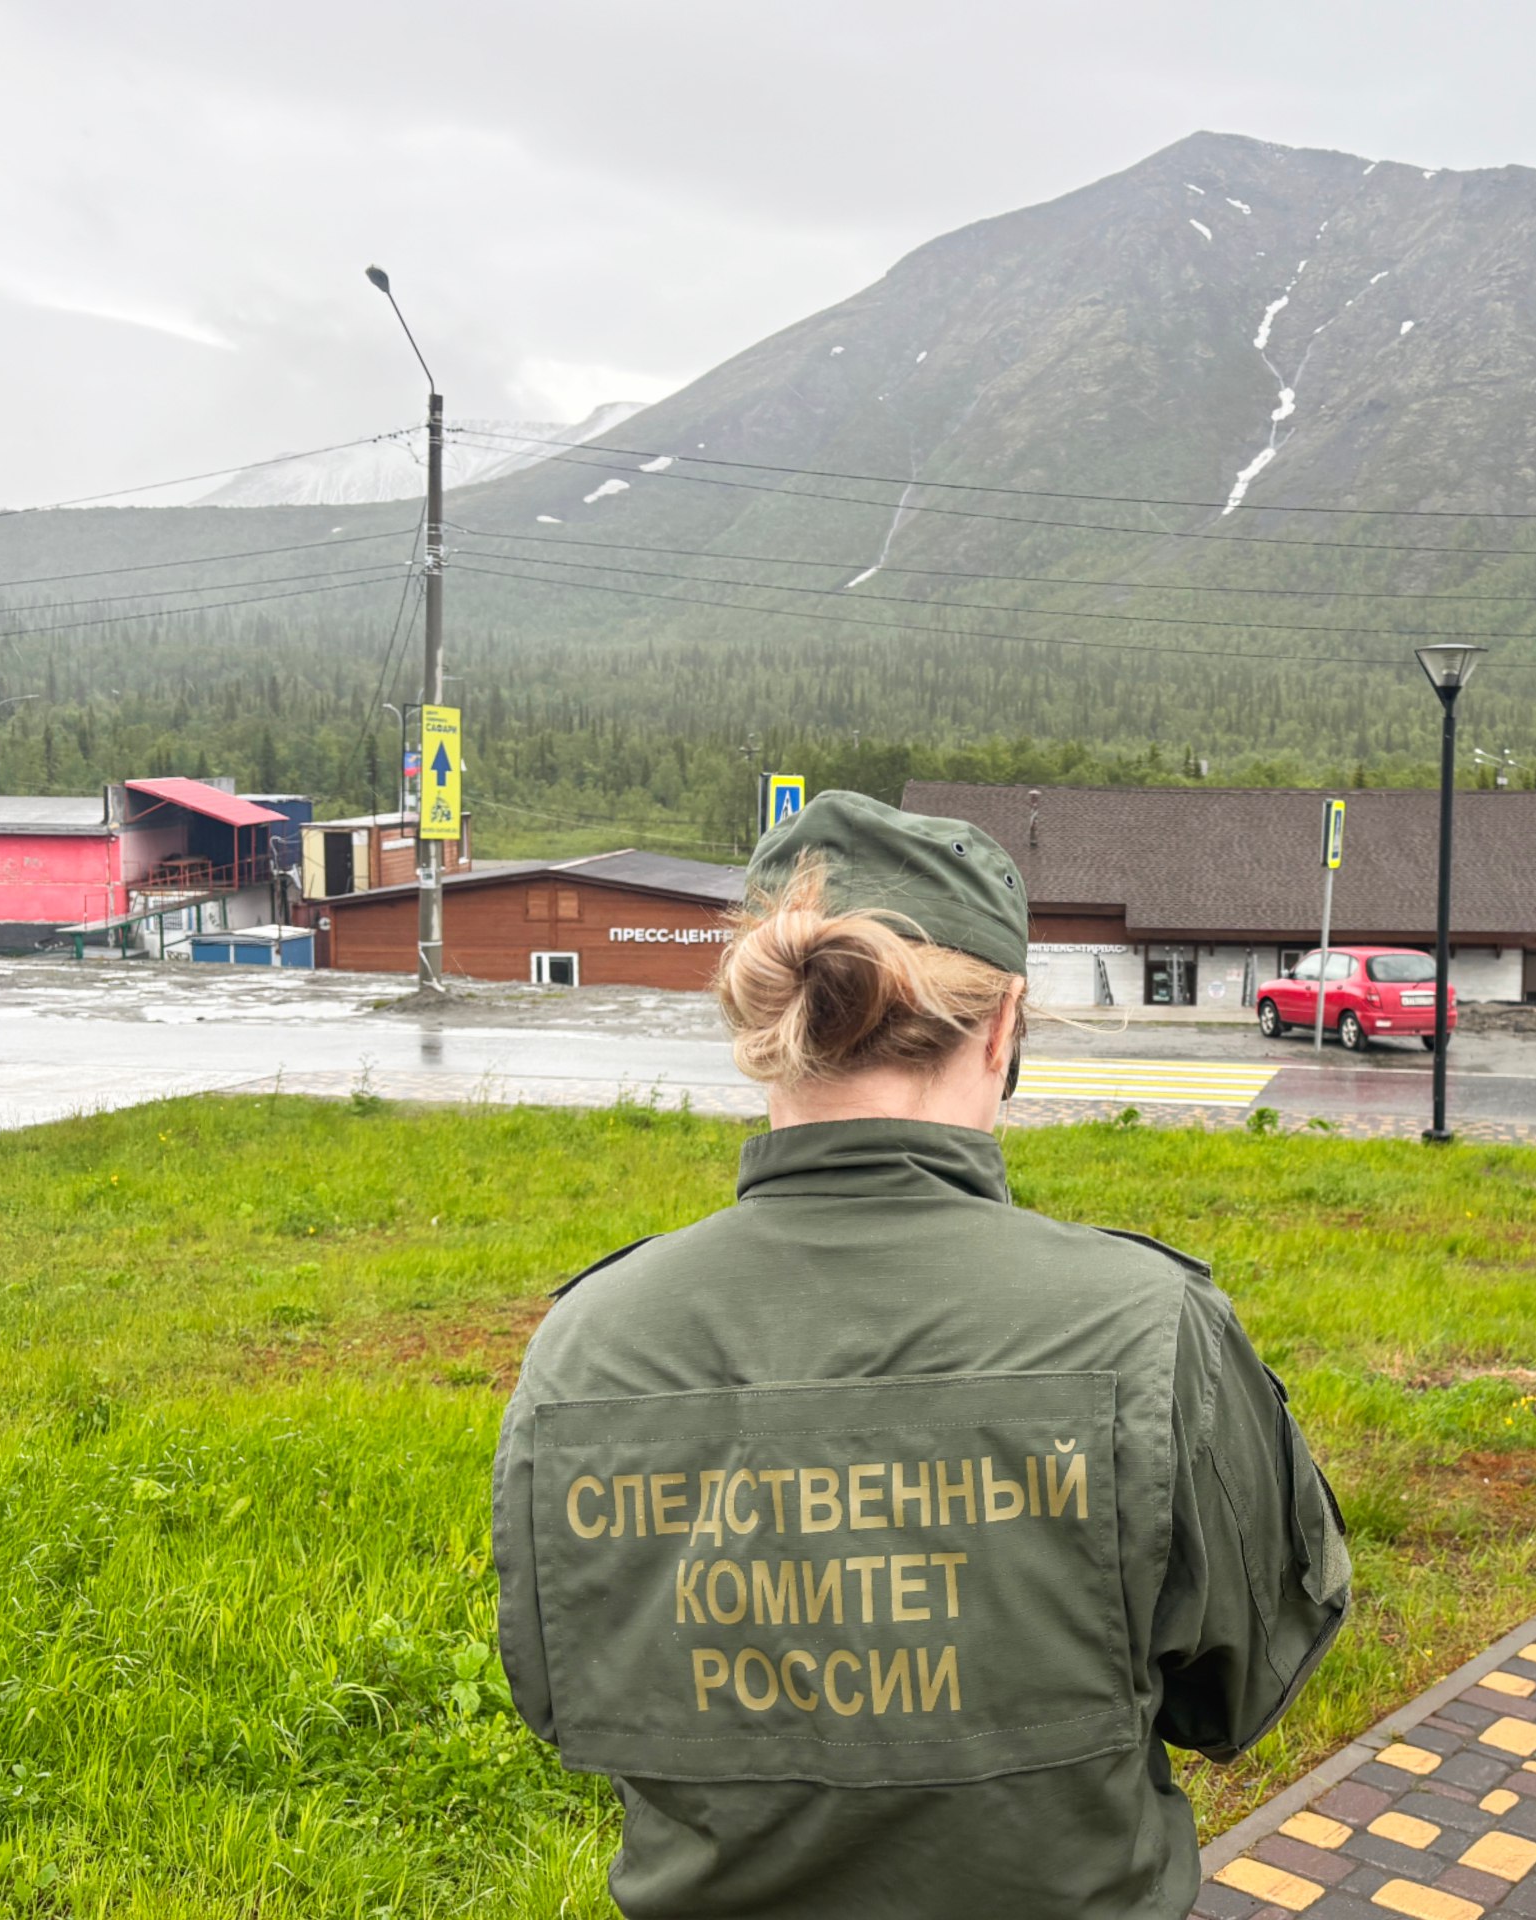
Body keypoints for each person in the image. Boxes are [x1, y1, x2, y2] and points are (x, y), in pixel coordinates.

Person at [492, 790, 1349, 1919]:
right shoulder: (1152, 1325)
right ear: (1001, 1029)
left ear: (768, 1027)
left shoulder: (585, 1343)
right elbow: (1240, 1688)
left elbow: (558, 1696)